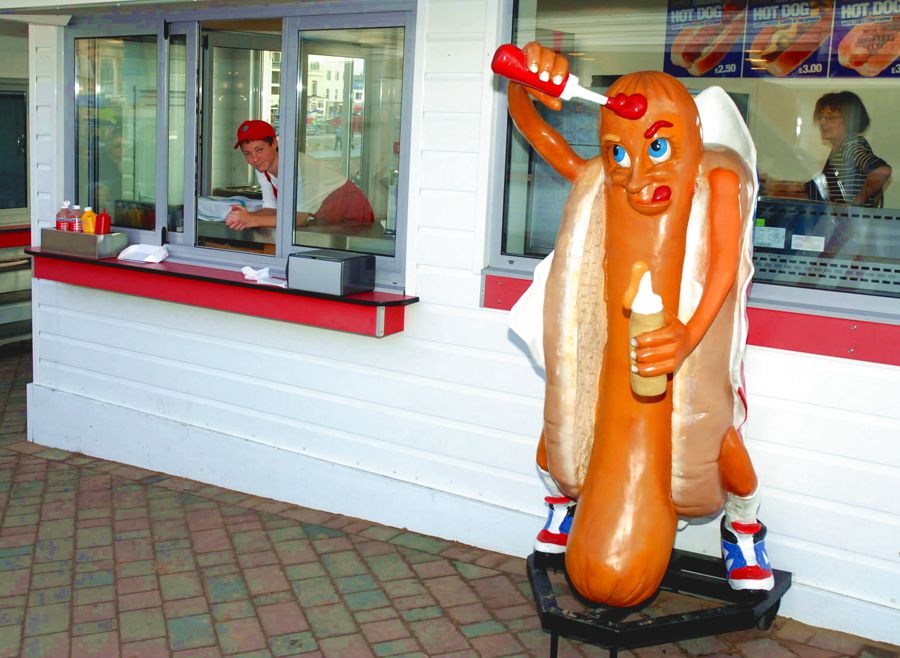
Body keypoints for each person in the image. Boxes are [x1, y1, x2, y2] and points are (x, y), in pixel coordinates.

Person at [225, 119, 373, 231]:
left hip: (352, 213)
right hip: (325, 219)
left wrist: (252, 220)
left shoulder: (295, 166)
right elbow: (271, 209)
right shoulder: (262, 169)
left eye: (259, 150)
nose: (254, 159)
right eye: (247, 153)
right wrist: (244, 217)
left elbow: (299, 218)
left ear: (274, 143)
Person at [762, 91, 891, 207]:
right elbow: (817, 191)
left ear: (850, 120)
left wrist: (858, 200)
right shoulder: (840, 151)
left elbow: (882, 171)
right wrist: (776, 186)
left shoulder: (851, 146)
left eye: (830, 117)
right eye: (821, 117)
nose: (822, 122)